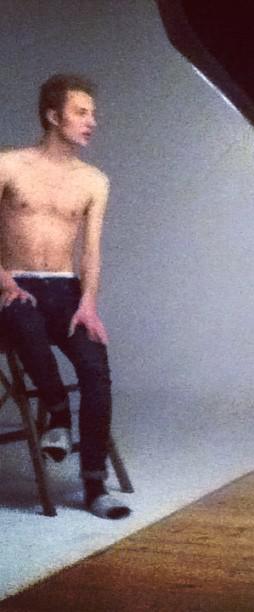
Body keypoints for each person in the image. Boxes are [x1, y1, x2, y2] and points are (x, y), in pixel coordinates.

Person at [0, 74, 130, 519]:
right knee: (23, 316)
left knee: (96, 371)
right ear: (53, 116)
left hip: (65, 288)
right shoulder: (9, 165)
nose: (92, 121)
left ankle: (95, 486)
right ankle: (57, 411)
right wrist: (3, 280)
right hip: (11, 285)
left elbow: (91, 252)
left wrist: (88, 301)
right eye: (81, 112)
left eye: (93, 113)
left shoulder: (94, 181)